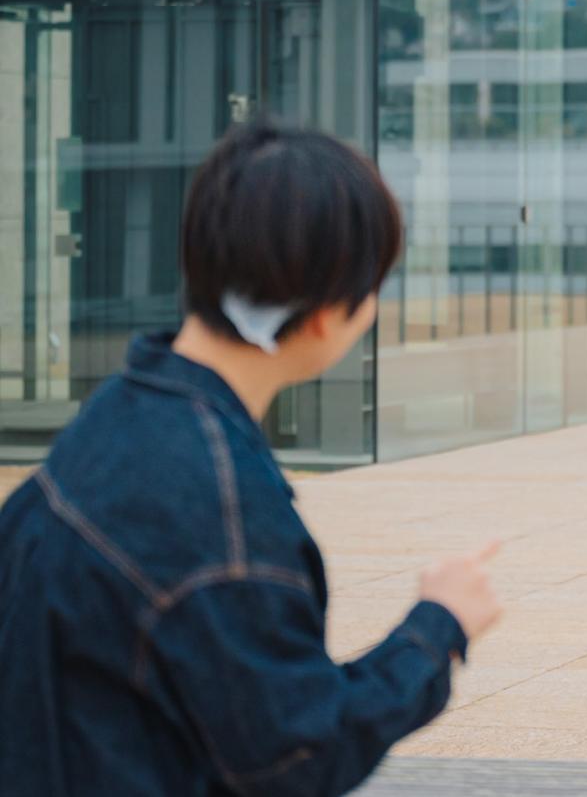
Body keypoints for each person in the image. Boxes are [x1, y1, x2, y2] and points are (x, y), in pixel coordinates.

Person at [0, 120, 503, 795]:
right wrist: (438, 624)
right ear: (330, 312)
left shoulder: (113, 416)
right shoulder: (220, 507)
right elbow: (297, 754)